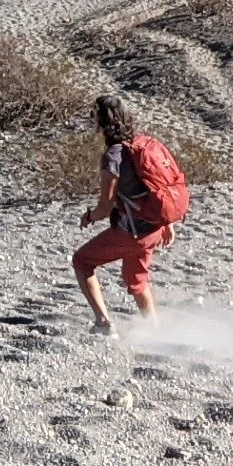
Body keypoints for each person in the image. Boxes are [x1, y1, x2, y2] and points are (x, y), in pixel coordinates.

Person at [73, 94, 173, 333]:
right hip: (155, 226)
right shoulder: (144, 144)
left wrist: (88, 217)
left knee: (82, 261)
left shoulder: (113, 157)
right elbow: (163, 186)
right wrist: (168, 222)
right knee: (136, 279)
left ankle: (103, 323)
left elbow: (105, 208)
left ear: (101, 123)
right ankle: (155, 330)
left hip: (133, 231)